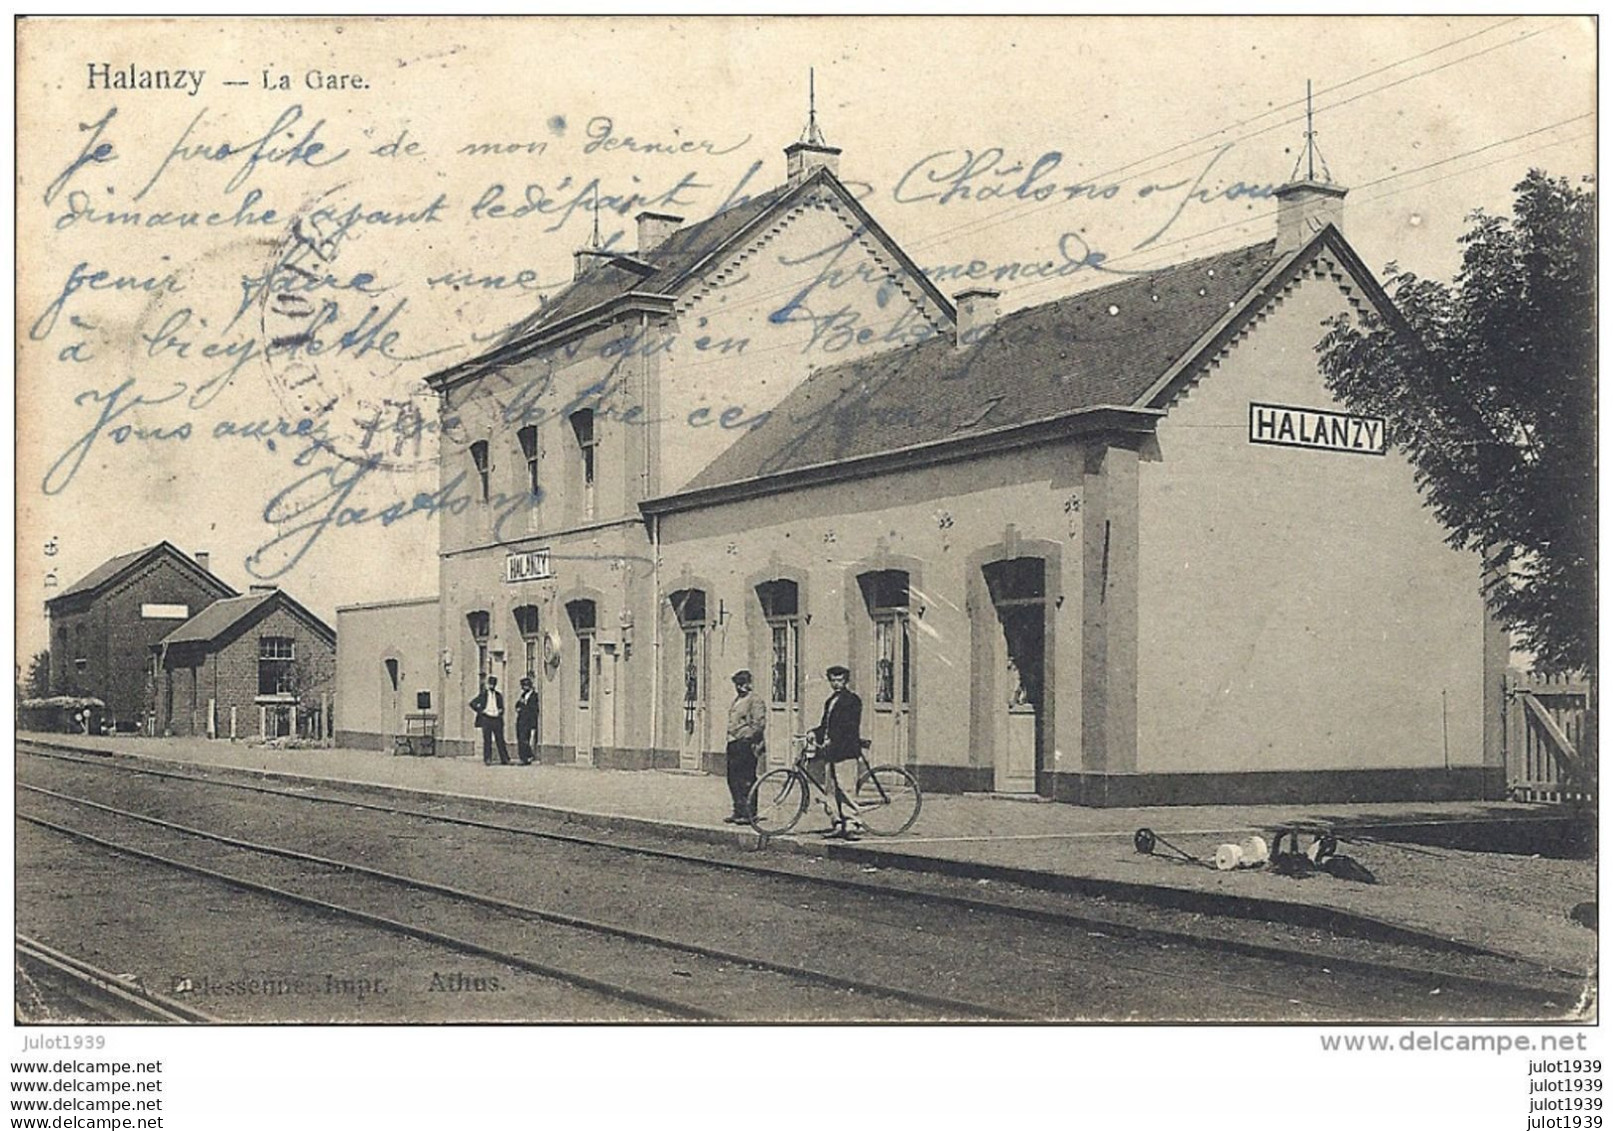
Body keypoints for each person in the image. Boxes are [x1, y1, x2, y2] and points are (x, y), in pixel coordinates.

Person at [809, 665, 864, 838]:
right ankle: (837, 822)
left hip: (845, 751)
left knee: (846, 788)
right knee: (830, 790)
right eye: (833, 680)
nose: (836, 683)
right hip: (831, 752)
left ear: (846, 681)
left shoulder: (852, 700)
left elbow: (849, 726)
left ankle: (851, 824)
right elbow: (825, 725)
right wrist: (814, 732)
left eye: (840, 680)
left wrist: (833, 738)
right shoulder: (830, 701)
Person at [723, 670, 767, 823]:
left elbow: (758, 724)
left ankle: (749, 813)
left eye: (743, 684)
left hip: (747, 744)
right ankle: (738, 810)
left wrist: (745, 736)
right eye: (737, 685)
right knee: (733, 778)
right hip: (734, 743)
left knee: (746, 778)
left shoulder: (755, 700)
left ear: (749, 684)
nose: (740, 688)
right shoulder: (737, 700)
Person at [469, 676, 511, 765]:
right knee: (487, 740)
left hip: (496, 719)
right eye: (491, 684)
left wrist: (500, 711)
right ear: (488, 684)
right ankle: (487, 759)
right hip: (487, 718)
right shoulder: (483, 694)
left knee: (500, 739)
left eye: (493, 684)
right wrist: (481, 710)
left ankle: (504, 759)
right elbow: (472, 703)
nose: (492, 686)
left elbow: (502, 707)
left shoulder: (498, 695)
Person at [514, 675, 540, 765]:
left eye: (525, 686)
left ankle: (527, 757)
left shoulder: (534, 696)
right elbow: (517, 705)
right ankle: (523, 757)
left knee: (525, 739)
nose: (523, 688)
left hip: (528, 721)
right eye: (523, 686)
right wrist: (518, 707)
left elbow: (533, 709)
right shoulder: (523, 695)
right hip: (521, 720)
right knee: (521, 739)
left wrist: (523, 707)